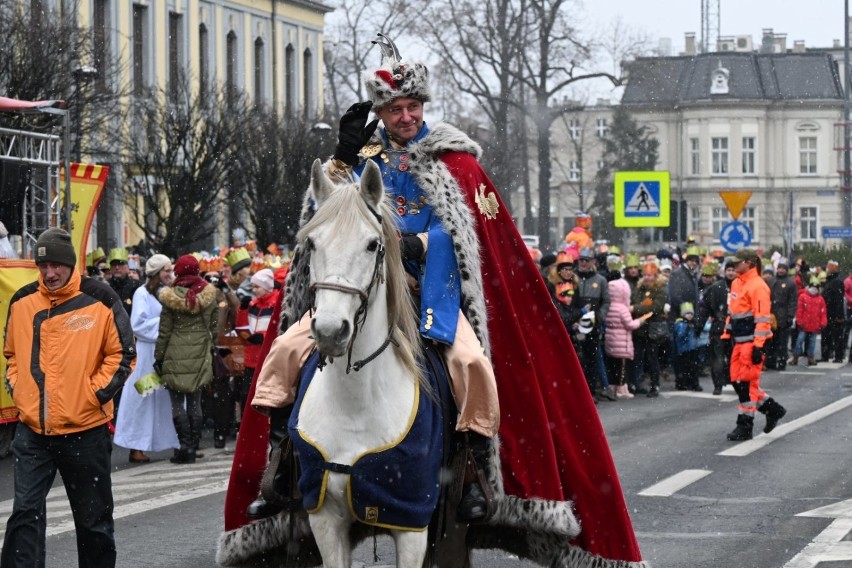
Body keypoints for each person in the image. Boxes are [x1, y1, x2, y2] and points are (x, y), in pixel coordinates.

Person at [221, 34, 644, 566]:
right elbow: (324, 218)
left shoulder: (455, 165)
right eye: (394, 107)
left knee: (472, 366)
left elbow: (470, 241)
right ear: (380, 110)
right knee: (283, 355)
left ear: (424, 106)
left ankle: (472, 476)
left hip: (430, 293)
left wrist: (420, 242)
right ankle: (281, 469)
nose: (404, 116)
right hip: (360, 290)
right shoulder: (362, 158)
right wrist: (338, 162)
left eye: (412, 106)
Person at [1, 228, 135, 568]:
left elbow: (122, 355)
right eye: (43, 265)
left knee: (93, 523)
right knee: (24, 515)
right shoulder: (21, 301)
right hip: (33, 432)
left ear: (71, 264)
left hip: (85, 430)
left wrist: (91, 396)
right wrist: (20, 392)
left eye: (57, 265)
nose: (50, 273)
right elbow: (11, 355)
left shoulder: (101, 298)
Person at [113, 254, 179, 463]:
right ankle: (136, 446)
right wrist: (166, 324)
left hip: (165, 353)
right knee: (142, 397)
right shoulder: (142, 293)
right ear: (156, 273)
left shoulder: (168, 292)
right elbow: (139, 325)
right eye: (166, 271)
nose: (170, 274)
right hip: (147, 355)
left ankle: (175, 442)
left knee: (164, 400)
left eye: (171, 270)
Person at [154, 254, 218, 464]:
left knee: (176, 403)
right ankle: (193, 445)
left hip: (175, 353)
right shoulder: (209, 295)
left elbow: (164, 331)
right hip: (200, 352)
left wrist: (159, 357)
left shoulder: (170, 297)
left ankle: (184, 447)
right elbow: (214, 327)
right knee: (195, 401)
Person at [723, 248, 787, 442]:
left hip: (752, 343)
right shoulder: (736, 283)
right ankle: (773, 409)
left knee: (747, 384)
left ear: (749, 263)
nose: (734, 266)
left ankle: (745, 425)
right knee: (736, 380)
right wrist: (726, 335)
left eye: (737, 262)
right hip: (739, 342)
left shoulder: (758, 286)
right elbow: (732, 312)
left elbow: (762, 319)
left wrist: (758, 346)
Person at [234, 268, 279, 428]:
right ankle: (251, 428)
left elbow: (278, 328)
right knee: (247, 396)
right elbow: (241, 327)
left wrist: (264, 336)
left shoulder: (275, 305)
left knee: (266, 397)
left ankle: (265, 428)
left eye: (256, 287)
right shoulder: (253, 304)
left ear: (267, 287)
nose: (253, 290)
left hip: (268, 359)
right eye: (252, 287)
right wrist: (243, 309)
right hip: (250, 359)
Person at [575, 246, 613, 400]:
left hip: (593, 324)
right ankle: (578, 391)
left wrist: (600, 316)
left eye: (586, 260)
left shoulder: (600, 280)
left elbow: (607, 301)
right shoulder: (574, 278)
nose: (583, 263)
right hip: (576, 324)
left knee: (592, 359)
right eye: (581, 260)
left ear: (593, 262)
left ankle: (590, 391)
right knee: (578, 359)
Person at [605, 275, 651, 399]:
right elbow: (630, 324)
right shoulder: (623, 309)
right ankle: (621, 390)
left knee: (613, 367)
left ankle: (613, 387)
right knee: (622, 368)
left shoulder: (610, 306)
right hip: (622, 342)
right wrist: (640, 321)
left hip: (611, 340)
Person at [697, 258, 736, 395]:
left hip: (736, 327)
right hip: (719, 326)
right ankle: (718, 385)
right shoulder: (716, 287)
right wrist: (699, 326)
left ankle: (734, 382)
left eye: (733, 270)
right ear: (725, 272)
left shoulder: (741, 286)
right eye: (728, 270)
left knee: (734, 358)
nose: (731, 273)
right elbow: (704, 308)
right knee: (717, 358)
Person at [631, 262, 668, 397]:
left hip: (652, 328)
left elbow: (655, 308)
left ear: (655, 275)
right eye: (645, 275)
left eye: (650, 275)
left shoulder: (660, 289)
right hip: (639, 327)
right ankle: (637, 383)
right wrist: (641, 307)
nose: (647, 278)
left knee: (652, 358)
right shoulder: (639, 288)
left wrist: (637, 308)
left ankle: (655, 385)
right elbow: (634, 301)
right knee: (638, 357)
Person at [765, 258, 797, 370]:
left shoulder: (791, 283)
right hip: (771, 314)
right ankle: (770, 361)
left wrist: (790, 316)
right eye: (779, 268)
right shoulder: (771, 281)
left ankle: (782, 361)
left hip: (783, 315)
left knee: (782, 341)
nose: (781, 270)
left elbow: (793, 301)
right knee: (771, 340)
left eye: (783, 268)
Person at [791, 277, 827, 367]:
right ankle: (797, 357)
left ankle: (808, 357)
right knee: (801, 341)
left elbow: (823, 313)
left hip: (814, 324)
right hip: (805, 324)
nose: (814, 290)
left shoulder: (820, 299)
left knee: (811, 342)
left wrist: (823, 322)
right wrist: (799, 322)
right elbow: (800, 311)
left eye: (816, 288)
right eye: (812, 287)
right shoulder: (804, 297)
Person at [822, 261, 846, 363]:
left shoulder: (836, 282)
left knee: (836, 336)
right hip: (828, 312)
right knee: (827, 336)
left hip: (833, 313)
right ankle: (826, 355)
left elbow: (839, 300)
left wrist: (839, 315)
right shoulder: (830, 281)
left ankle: (838, 356)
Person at [673, 302, 701, 391]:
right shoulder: (680, 323)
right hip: (683, 349)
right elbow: (680, 335)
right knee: (684, 368)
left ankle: (693, 384)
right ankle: (683, 383)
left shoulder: (692, 323)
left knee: (693, 368)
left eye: (691, 313)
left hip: (692, 348)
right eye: (687, 313)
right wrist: (687, 328)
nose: (689, 315)